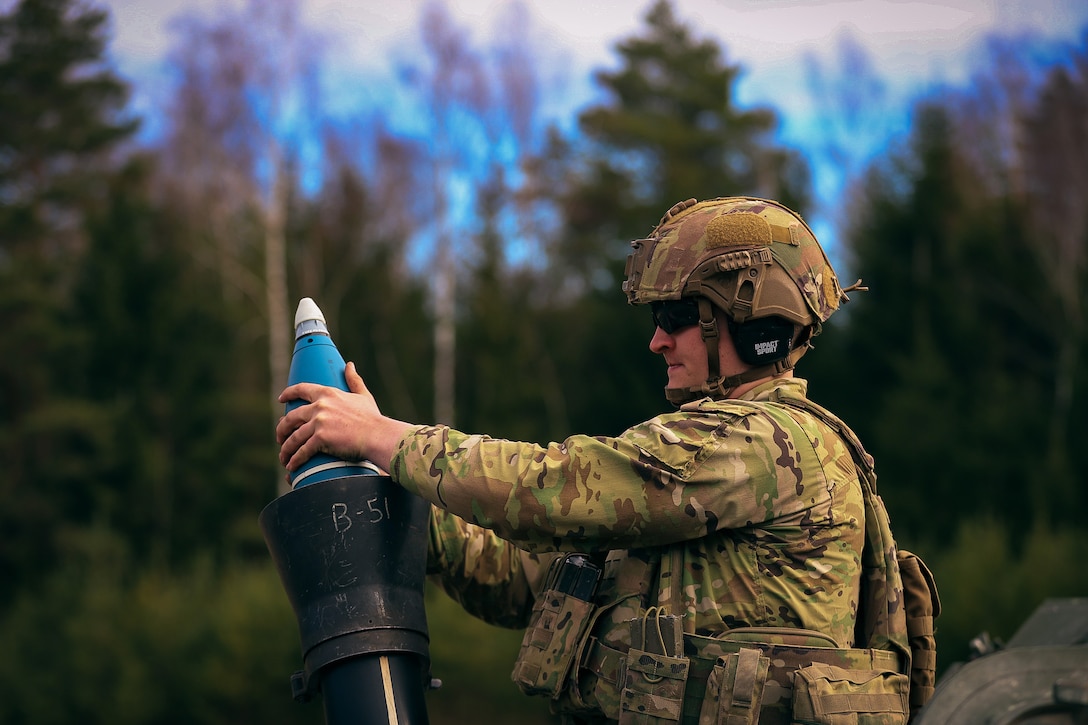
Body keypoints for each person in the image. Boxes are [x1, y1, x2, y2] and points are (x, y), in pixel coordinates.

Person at [276, 196, 915, 724]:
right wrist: (395, 485)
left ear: (752, 324)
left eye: (676, 315)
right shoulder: (690, 491)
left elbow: (552, 490)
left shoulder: (771, 446)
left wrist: (386, 439)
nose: (657, 338)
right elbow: (518, 580)